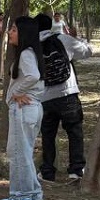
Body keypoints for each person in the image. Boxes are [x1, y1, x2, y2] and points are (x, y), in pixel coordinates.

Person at [36, 13, 94, 182]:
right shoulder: (63, 39)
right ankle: (76, 170)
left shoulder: (33, 46)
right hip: (67, 93)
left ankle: (47, 171)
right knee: (74, 132)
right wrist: (77, 38)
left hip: (44, 97)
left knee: (48, 135)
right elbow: (88, 52)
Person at [1, 16, 46, 200]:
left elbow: (33, 75)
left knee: (19, 152)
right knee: (21, 151)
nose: (10, 33)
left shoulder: (26, 54)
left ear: (24, 33)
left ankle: (22, 195)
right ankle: (34, 193)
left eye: (14, 30)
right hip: (30, 109)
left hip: (23, 109)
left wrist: (17, 93)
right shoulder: (29, 53)